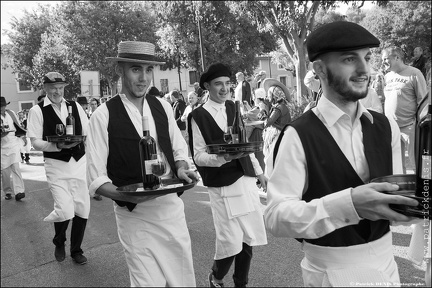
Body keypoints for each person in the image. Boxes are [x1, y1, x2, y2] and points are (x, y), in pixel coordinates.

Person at [264, 21, 420, 287]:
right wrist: (349, 205)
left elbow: (393, 198)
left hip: (387, 267)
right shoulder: (298, 134)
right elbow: (276, 218)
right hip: (328, 272)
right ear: (320, 70)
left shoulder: (385, 126)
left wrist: (412, 207)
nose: (364, 70)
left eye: (367, 58)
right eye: (350, 59)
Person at [87, 41, 198, 287]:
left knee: (182, 281)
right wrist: (126, 196)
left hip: (170, 209)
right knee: (147, 283)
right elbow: (96, 177)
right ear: (120, 70)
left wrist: (181, 167)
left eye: (149, 70)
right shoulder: (102, 115)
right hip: (135, 218)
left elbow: (179, 148)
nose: (144, 77)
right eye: (136, 69)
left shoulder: (164, 107)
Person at [187, 62, 267, 288]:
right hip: (222, 185)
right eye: (218, 84)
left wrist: (259, 172)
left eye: (227, 84)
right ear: (207, 87)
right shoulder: (197, 116)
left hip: (245, 180)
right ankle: (216, 276)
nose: (224, 89)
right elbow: (199, 156)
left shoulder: (233, 107)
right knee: (230, 241)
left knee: (248, 237)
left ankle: (241, 283)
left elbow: (244, 143)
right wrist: (222, 159)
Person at [27, 72, 90, 265]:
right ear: (45, 89)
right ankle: (59, 240)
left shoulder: (75, 106)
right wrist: (54, 146)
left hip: (79, 162)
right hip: (56, 164)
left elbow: (87, 133)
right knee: (64, 209)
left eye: (61, 87)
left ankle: (76, 250)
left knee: (82, 209)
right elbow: (35, 141)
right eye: (53, 88)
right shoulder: (37, 111)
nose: (57, 91)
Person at [382, 46, 428, 173]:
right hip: (392, 127)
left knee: (418, 163)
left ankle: (424, 188)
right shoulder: (387, 77)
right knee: (396, 164)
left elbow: (423, 100)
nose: (383, 62)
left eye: (386, 59)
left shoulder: (414, 73)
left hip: (410, 126)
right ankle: (402, 190)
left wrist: (421, 124)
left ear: (397, 57)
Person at [261, 78, 292, 165]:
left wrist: (264, 109)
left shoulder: (278, 108)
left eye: (269, 94)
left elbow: (267, 123)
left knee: (271, 160)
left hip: (277, 136)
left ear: (273, 96)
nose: (267, 96)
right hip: (281, 135)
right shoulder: (281, 106)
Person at [1, 96, 26, 201]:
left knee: (16, 168)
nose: (2, 108)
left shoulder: (11, 113)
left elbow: (18, 125)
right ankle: (7, 191)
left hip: (13, 143)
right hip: (2, 146)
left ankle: (19, 191)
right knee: (5, 172)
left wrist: (23, 136)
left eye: (3, 106)